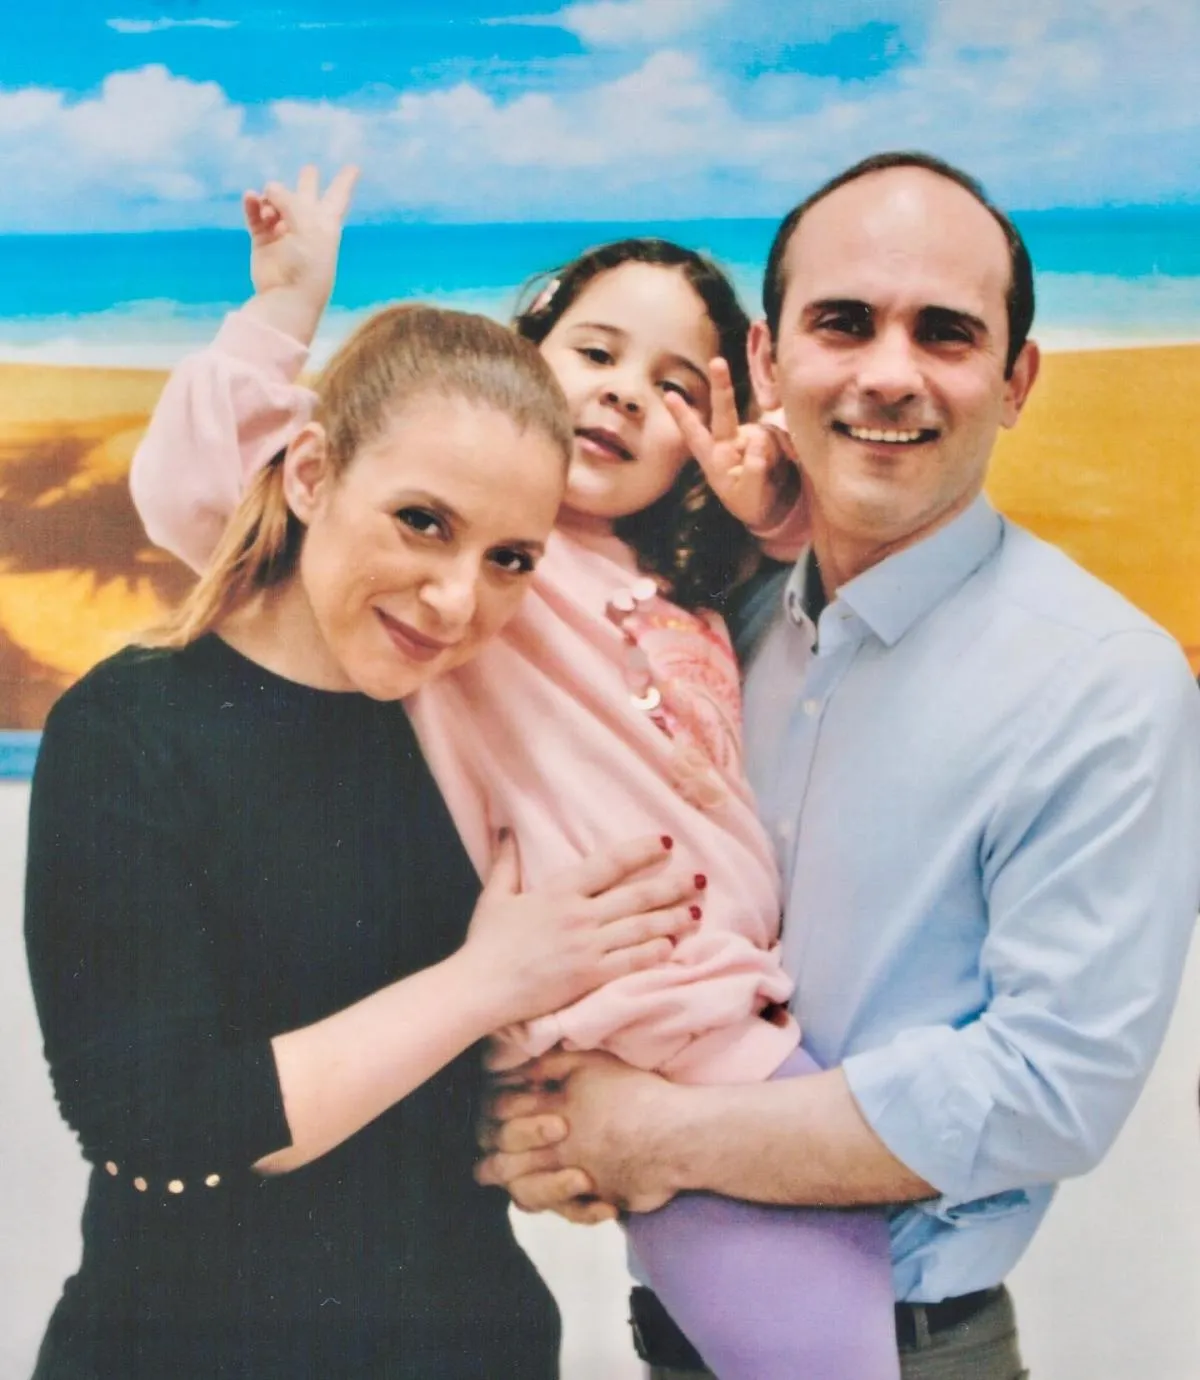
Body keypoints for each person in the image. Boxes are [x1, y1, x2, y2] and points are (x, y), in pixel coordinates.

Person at [128, 170, 902, 1376]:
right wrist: (282, 310)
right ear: (524, 353)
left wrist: (773, 516)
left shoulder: (697, 587)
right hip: (638, 1026)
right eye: (594, 351)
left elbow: (826, 582)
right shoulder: (482, 578)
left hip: (736, 1017)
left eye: (674, 387)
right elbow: (197, 490)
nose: (623, 393)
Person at [474, 151, 1200, 1380]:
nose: (889, 373)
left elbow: (1047, 1088)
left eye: (947, 332)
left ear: (1016, 381)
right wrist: (555, 1124)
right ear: (768, 363)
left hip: (906, 1349)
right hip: (675, 1332)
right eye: (844, 323)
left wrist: (656, 1136)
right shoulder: (717, 627)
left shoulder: (1105, 683)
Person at [26, 302, 708, 1379]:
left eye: (510, 559)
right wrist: (483, 984)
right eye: (422, 521)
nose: (456, 600)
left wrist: (557, 1135)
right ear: (310, 475)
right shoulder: (129, 727)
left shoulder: (478, 730)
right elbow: (156, 1127)